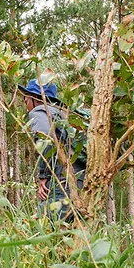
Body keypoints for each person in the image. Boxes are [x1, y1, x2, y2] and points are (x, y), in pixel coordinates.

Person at [18, 79, 84, 221]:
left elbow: (45, 138)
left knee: (46, 226)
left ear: (36, 99)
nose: (26, 104)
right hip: (82, 180)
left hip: (63, 182)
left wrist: (43, 175)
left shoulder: (40, 111)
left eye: (26, 99)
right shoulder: (63, 115)